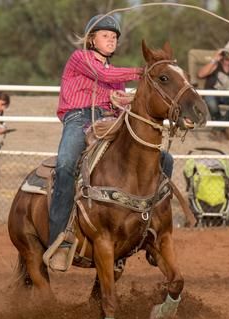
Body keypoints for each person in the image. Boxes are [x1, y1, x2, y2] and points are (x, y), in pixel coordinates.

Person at [48, 14, 150, 271]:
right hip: (79, 118)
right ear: (91, 40)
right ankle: (58, 238)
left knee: (159, 160)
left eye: (114, 37)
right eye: (105, 35)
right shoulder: (80, 58)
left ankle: (148, 230)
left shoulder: (116, 76)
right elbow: (100, 73)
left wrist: (127, 101)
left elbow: (121, 96)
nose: (111, 40)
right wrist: (142, 72)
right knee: (65, 165)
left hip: (110, 122)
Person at [197, 40, 229, 141]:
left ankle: (218, 129)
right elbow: (200, 74)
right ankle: (223, 128)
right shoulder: (215, 65)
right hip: (213, 93)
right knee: (210, 102)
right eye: (228, 52)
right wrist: (214, 59)